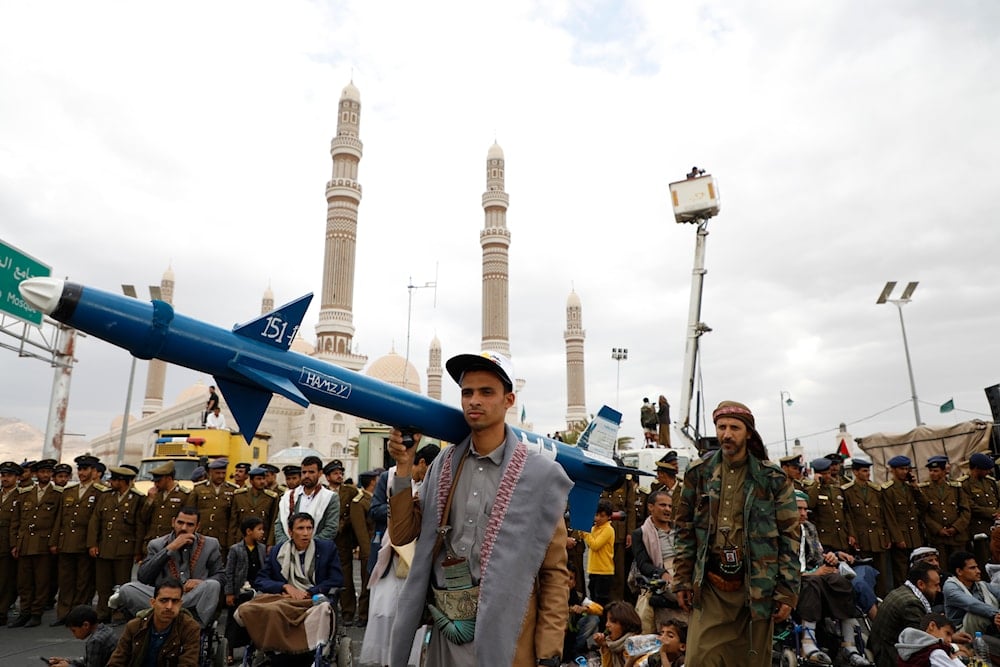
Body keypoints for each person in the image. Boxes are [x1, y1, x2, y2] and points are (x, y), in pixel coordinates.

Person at [386, 351, 572, 666]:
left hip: (510, 637)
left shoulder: (538, 475)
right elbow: (402, 534)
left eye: (487, 392)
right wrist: (403, 469)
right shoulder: (443, 467)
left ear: (509, 399)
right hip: (449, 631)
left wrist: (549, 651)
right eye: (467, 392)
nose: (475, 401)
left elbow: (554, 573)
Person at [673, 400, 799, 667]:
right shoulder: (699, 474)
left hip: (756, 588)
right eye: (721, 427)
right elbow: (684, 529)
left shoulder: (772, 479)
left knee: (751, 660)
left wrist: (787, 591)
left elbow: (790, 536)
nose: (726, 434)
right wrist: (682, 579)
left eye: (734, 427)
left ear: (749, 433)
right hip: (711, 587)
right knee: (699, 659)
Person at [796, 490, 873, 666]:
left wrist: (830, 558)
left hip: (814, 572)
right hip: (795, 578)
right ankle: (808, 643)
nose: (802, 514)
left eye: (804, 510)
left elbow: (817, 555)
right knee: (813, 582)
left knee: (841, 582)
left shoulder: (808, 527)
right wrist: (812, 573)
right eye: (798, 509)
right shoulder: (780, 530)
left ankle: (849, 644)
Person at [117, 506, 225, 626]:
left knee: (213, 585)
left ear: (197, 526)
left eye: (190, 525)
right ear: (173, 522)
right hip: (164, 598)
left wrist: (201, 583)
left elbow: (220, 575)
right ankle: (172, 617)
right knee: (127, 589)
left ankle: (195, 627)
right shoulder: (157, 544)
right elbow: (143, 577)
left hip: (193, 597)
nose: (184, 528)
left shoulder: (210, 544)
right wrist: (170, 549)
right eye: (180, 523)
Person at [52, 455, 107, 626]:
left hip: (85, 543)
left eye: (86, 469)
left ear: (93, 471)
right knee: (66, 580)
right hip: (66, 542)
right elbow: (59, 519)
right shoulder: (69, 492)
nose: (82, 473)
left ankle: (79, 615)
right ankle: (63, 614)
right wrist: (54, 542)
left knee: (83, 582)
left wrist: (93, 544)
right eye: (80, 469)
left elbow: (98, 522)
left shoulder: (100, 492)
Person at [87, 466, 146, 622]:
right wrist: (93, 543)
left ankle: (119, 612)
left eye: (114, 479)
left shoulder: (137, 499)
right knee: (103, 584)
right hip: (104, 546)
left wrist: (138, 550)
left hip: (124, 548)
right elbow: (95, 521)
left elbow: (139, 526)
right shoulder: (106, 496)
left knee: (122, 585)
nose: (110, 482)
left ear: (123, 482)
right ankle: (103, 612)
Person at [11, 458, 63, 627]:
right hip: (25, 543)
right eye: (42, 472)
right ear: (36, 474)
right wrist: (15, 544)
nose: (45, 475)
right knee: (24, 581)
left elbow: (58, 522)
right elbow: (16, 521)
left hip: (43, 544)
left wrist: (53, 542)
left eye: (48, 472)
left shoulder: (57, 495)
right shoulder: (25, 493)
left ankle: (36, 613)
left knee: (41, 581)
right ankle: (24, 611)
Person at [107, 578, 201, 667]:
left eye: (175, 601)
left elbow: (188, 663)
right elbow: (117, 661)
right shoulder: (135, 626)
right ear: (153, 603)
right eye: (163, 600)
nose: (169, 606)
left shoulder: (190, 628)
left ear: (180, 604)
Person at [869, 562, 943, 667]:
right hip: (889, 658)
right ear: (921, 584)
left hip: (884, 649)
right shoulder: (911, 604)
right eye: (935, 585)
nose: (939, 589)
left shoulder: (904, 591)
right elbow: (922, 642)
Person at [253, 512, 343, 596]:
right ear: (290, 532)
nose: (306, 533)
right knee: (246, 609)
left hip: (315, 598)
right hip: (284, 597)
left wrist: (310, 592)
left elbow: (336, 579)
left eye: (309, 528)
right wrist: (284, 587)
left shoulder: (326, 549)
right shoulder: (277, 551)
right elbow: (261, 580)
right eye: (300, 528)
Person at [632, 488, 682, 634]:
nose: (667, 509)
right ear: (650, 507)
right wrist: (662, 573)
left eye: (669, 506)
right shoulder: (641, 534)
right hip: (661, 576)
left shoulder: (679, 530)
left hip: (683, 570)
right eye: (663, 505)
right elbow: (643, 564)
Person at [842, 455, 894, 596]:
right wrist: (852, 535)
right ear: (855, 472)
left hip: (878, 538)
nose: (867, 474)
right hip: (862, 537)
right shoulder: (847, 491)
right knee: (865, 572)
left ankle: (883, 598)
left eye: (868, 471)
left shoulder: (875, 490)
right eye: (864, 471)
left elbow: (883, 516)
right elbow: (849, 516)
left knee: (881, 573)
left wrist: (887, 535)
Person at [224, 516, 267, 664]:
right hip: (238, 591)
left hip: (255, 590)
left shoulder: (262, 548)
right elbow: (229, 572)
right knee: (233, 621)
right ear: (249, 531)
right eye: (259, 529)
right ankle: (228, 650)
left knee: (254, 620)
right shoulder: (235, 549)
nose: (262, 533)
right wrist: (229, 592)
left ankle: (253, 648)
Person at [918, 456, 971, 571]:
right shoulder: (924, 489)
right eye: (931, 471)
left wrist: (956, 527)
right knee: (942, 568)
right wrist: (937, 529)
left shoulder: (955, 488)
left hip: (957, 537)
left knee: (961, 567)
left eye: (936, 471)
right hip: (938, 538)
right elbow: (924, 513)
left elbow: (965, 510)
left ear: (943, 471)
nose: (932, 473)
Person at [324, 459, 359, 625]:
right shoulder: (322, 491)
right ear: (327, 476)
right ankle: (328, 609)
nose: (339, 476)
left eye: (340, 473)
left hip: (344, 540)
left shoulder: (350, 492)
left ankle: (348, 611)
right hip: (325, 540)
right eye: (335, 473)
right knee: (325, 575)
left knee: (346, 577)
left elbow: (355, 513)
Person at [273, 456, 339, 544]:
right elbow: (279, 524)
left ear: (320, 473)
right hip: (288, 550)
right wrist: (287, 545)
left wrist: (308, 546)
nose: (307, 475)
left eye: (311, 472)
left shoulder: (330, 497)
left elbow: (331, 528)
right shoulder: (289, 496)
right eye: (304, 472)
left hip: (317, 550)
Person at [882, 455, 925, 589]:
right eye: (901, 469)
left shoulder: (909, 488)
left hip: (915, 536)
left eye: (907, 469)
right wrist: (898, 538)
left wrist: (915, 486)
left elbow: (924, 506)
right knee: (901, 572)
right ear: (893, 470)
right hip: (901, 537)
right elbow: (889, 516)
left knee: (917, 570)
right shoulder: (888, 490)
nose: (905, 471)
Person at [188, 458, 236, 556]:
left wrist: (231, 541)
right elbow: (190, 512)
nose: (221, 476)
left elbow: (233, 518)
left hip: (222, 536)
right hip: (202, 534)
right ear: (210, 472)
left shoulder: (233, 490)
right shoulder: (199, 488)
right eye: (218, 473)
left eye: (223, 473)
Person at [960, 453, 1000, 569]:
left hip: (995, 526)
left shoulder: (990, 482)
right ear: (977, 468)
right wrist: (993, 513)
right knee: (984, 560)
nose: (989, 472)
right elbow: (970, 505)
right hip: (979, 528)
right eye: (986, 469)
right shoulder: (965, 484)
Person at [46, 604, 118, 667]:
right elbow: (90, 660)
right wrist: (67, 661)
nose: (74, 635)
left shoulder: (95, 641)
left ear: (85, 625)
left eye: (74, 630)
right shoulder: (106, 629)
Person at [140, 461, 190, 553]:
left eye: (159, 481)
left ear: (169, 478)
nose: (156, 484)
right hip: (152, 541)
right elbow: (143, 517)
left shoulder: (183, 495)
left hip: (171, 542)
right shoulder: (155, 494)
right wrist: (150, 500)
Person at [807, 457, 853, 552]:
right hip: (825, 540)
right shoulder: (812, 490)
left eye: (828, 473)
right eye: (824, 474)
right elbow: (810, 504)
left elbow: (846, 513)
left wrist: (851, 534)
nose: (827, 476)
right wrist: (817, 484)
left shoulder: (837, 490)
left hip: (841, 538)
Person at [350, 469, 377, 626]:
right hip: (368, 549)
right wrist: (367, 552)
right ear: (372, 481)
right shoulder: (359, 502)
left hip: (378, 547)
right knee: (366, 583)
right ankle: (363, 615)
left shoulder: (374, 498)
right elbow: (360, 530)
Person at [0, 461, 24, 625]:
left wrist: (15, 544)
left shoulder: (21, 496)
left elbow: (20, 522)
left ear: (16, 477)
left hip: (7, 543)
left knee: (5, 581)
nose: (4, 478)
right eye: (2, 475)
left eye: (8, 475)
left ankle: (2, 612)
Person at [230, 466, 279, 546]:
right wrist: (231, 543)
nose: (262, 481)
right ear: (251, 481)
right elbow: (233, 522)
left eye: (263, 478)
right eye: (259, 479)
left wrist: (270, 543)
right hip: (241, 540)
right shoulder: (239, 496)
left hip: (262, 540)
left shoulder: (271, 498)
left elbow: (273, 522)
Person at [894, 613, 965, 667]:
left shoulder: (907, 649)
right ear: (932, 626)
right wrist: (954, 659)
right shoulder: (935, 652)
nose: (949, 640)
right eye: (947, 633)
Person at [585, 499, 617, 611]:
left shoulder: (608, 529)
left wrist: (584, 532)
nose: (597, 518)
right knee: (593, 600)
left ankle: (603, 626)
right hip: (593, 570)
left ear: (608, 517)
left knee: (601, 603)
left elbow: (595, 545)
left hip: (604, 571)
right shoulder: (594, 528)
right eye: (596, 515)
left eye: (602, 516)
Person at [593, 600, 643, 667]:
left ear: (625, 624)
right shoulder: (614, 645)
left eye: (612, 621)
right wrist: (604, 646)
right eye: (607, 620)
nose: (607, 625)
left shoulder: (636, 646)